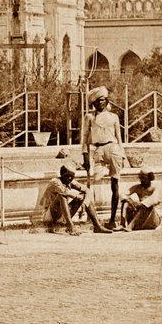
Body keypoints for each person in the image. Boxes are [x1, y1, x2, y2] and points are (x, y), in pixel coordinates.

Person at [82, 85, 125, 229]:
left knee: (115, 184)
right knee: (92, 183)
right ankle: (95, 221)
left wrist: (122, 154)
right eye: (98, 101)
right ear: (93, 103)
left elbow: (119, 138)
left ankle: (112, 220)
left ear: (107, 101)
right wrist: (85, 157)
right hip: (98, 149)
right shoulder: (89, 117)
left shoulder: (114, 117)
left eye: (103, 100)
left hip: (113, 148)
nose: (101, 103)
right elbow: (84, 138)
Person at [31, 164, 112, 235]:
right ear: (62, 174)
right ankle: (70, 226)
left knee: (85, 196)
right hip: (50, 216)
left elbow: (87, 190)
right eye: (67, 175)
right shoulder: (55, 181)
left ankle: (97, 226)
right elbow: (64, 191)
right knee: (62, 196)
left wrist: (84, 203)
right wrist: (78, 197)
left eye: (72, 176)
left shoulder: (70, 181)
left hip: (62, 216)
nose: (69, 178)